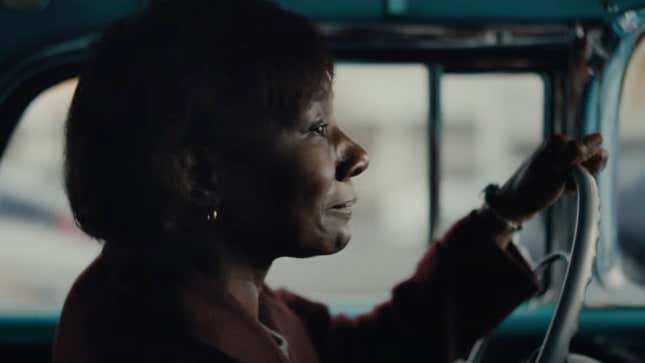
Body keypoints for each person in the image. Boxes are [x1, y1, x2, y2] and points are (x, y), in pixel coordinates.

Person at [52, 1, 608, 362]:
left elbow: (376, 349)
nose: (357, 154)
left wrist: (506, 210)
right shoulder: (159, 340)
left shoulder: (235, 301)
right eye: (317, 128)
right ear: (202, 174)